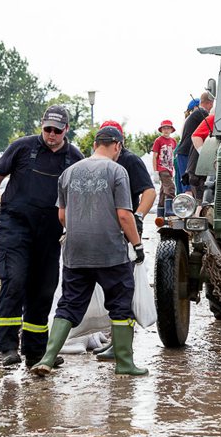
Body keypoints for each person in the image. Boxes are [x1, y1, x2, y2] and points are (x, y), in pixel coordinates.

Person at [31, 126, 148, 377]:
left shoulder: (69, 173)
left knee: (69, 305)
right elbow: (124, 215)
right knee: (120, 304)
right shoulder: (117, 171)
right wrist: (137, 245)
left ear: (95, 144)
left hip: (75, 252)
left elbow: (62, 216)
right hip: (111, 252)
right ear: (117, 145)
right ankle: (125, 363)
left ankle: (48, 358)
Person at [0, 106, 83, 367]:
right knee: (14, 279)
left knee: (44, 288)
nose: (51, 134)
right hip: (16, 225)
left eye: (57, 131)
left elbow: (82, 196)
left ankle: (35, 351)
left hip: (50, 231)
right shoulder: (22, 148)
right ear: (42, 125)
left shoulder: (74, 157)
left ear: (66, 130)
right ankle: (6, 347)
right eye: (47, 129)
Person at [89, 120, 155, 361]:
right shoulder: (96, 163)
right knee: (109, 290)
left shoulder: (130, 162)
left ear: (119, 143)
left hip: (123, 230)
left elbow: (149, 191)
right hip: (102, 232)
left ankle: (122, 347)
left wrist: (137, 216)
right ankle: (115, 342)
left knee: (123, 289)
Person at [176, 92, 213, 194]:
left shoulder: (196, 114)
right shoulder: (201, 113)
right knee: (188, 184)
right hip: (186, 153)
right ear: (210, 103)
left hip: (186, 152)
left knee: (190, 184)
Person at [152, 120, 177, 218]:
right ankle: (170, 210)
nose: (166, 130)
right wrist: (155, 171)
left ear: (171, 129)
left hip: (169, 168)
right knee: (170, 188)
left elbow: (173, 156)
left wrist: (174, 169)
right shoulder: (158, 141)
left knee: (163, 192)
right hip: (162, 168)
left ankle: (160, 214)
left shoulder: (173, 141)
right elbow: (154, 156)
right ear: (161, 129)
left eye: (168, 128)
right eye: (164, 128)